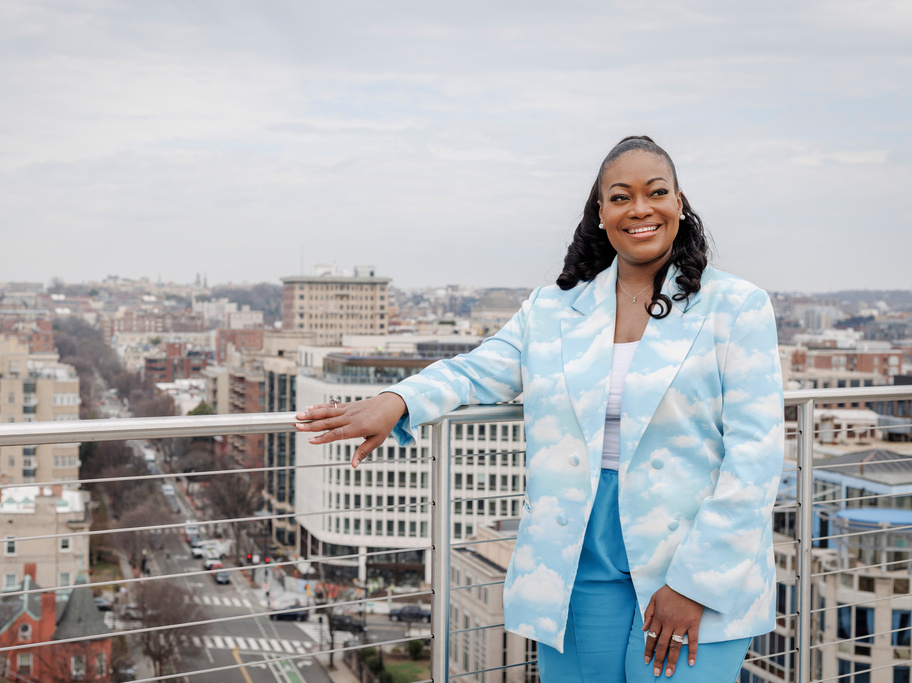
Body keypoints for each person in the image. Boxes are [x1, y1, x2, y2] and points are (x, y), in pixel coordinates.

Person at [296, 136, 784, 682]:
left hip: (693, 553)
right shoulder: (554, 308)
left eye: (656, 193)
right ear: (601, 214)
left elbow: (756, 457)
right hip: (575, 554)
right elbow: (478, 369)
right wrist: (398, 399)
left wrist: (695, 582)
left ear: (680, 202)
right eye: (620, 197)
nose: (640, 209)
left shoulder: (736, 306)